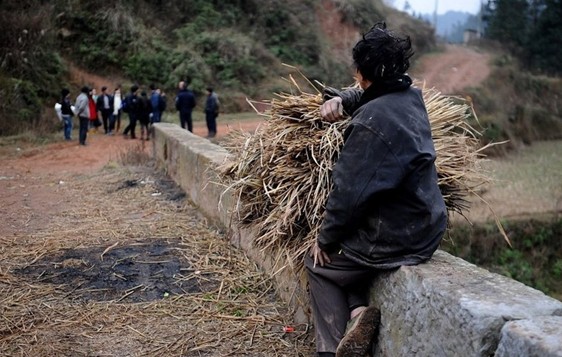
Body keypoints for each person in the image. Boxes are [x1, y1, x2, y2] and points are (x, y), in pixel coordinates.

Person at [306, 22, 448, 357]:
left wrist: (325, 239)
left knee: (318, 263)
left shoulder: (370, 124)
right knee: (349, 259)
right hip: (425, 225)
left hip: (395, 237)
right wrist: (342, 98)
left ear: (361, 72)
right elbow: (371, 95)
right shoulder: (411, 97)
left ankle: (329, 349)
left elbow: (348, 196)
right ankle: (358, 313)